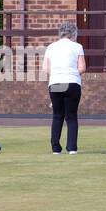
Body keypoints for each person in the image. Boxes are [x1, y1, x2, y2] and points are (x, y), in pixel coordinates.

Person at [41, 21, 86, 154]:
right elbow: (82, 68)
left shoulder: (51, 47)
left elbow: (45, 69)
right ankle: (72, 148)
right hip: (72, 83)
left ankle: (56, 148)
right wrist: (71, 74)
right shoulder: (77, 47)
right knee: (71, 116)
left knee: (57, 115)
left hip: (55, 83)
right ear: (74, 33)